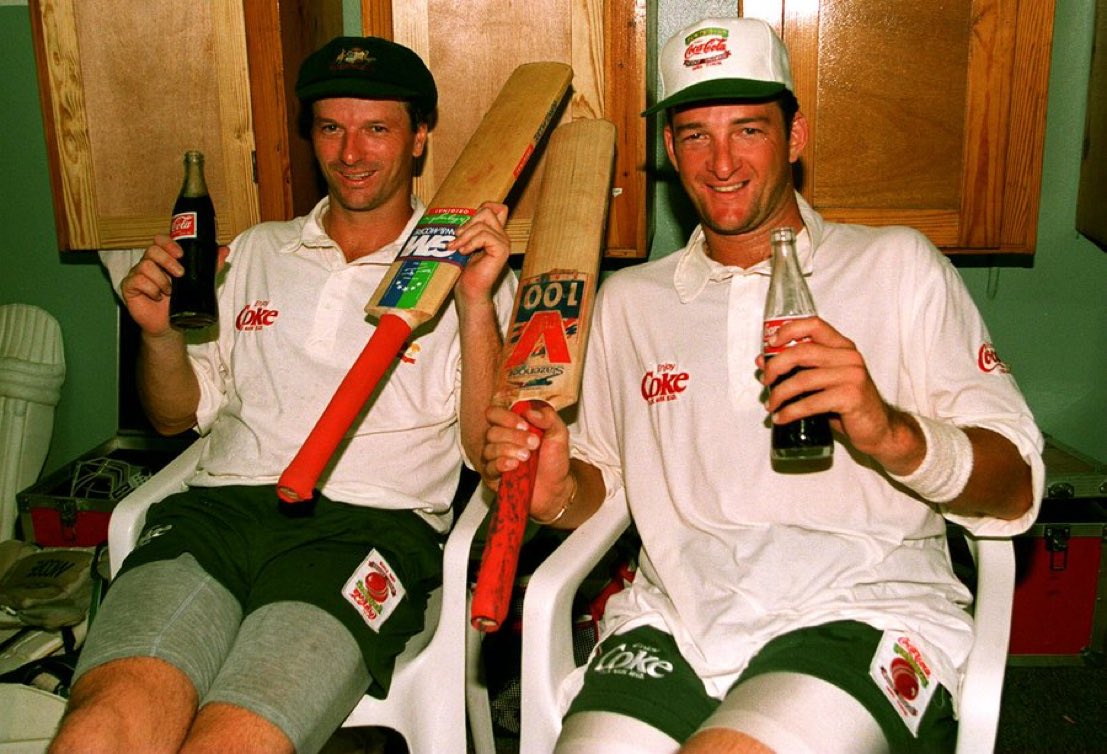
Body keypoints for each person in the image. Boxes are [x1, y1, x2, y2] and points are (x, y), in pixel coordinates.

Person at [482, 17, 1044, 754]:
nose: (720, 162)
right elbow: (606, 489)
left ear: (795, 136)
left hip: (863, 608)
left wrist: (889, 432)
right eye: (693, 136)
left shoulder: (895, 266)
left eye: (747, 129)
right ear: (669, 150)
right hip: (676, 619)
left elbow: (1017, 490)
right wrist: (556, 487)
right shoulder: (629, 303)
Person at [50, 36, 517, 754]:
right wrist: (157, 334)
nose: (351, 153)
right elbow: (178, 414)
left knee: (231, 741)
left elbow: (484, 453)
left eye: (377, 129)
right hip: (214, 517)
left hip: (368, 532)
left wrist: (478, 305)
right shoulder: (254, 253)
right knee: (97, 729)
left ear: (420, 137)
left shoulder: (464, 272)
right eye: (331, 128)